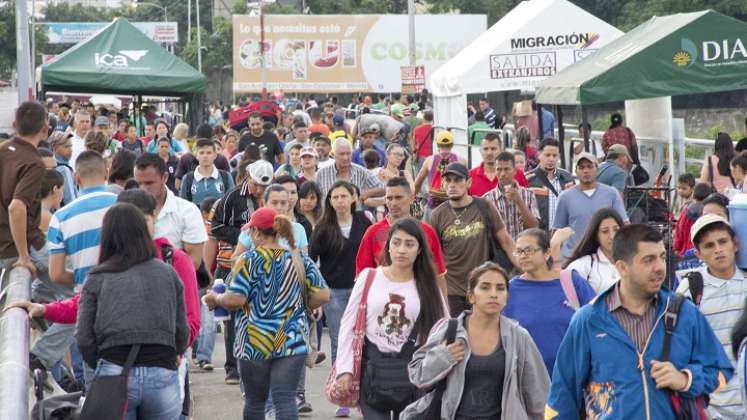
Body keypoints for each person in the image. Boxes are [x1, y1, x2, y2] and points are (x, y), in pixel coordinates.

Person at [546, 224, 734, 419]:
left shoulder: (684, 313)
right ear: (622, 267)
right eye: (648, 260)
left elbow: (721, 371)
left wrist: (686, 379)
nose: (660, 267)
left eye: (662, 257)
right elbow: (562, 396)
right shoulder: (589, 320)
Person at [205, 207, 330, 420]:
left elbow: (235, 299)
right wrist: (301, 305)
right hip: (290, 339)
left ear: (255, 232)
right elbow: (323, 295)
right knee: (285, 400)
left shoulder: (248, 260)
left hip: (254, 340)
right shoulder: (299, 259)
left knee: (255, 401)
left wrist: (215, 299)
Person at [76, 203, 189, 419]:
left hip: (115, 370)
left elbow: (83, 337)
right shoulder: (167, 273)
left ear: (107, 236)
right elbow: (181, 330)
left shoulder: (97, 278)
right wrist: (174, 352)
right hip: (161, 370)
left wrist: (102, 361)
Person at [403, 262, 550, 420]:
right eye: (485, 287)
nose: (493, 294)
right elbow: (416, 374)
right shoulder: (450, 330)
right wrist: (443, 357)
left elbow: (538, 394)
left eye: (500, 288)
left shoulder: (519, 337)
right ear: (471, 296)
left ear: (506, 297)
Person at [334, 218, 448, 419]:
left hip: (413, 375)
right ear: (388, 247)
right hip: (372, 371)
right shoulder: (369, 277)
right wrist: (345, 369)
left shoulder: (428, 285)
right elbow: (348, 325)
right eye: (396, 243)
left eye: (409, 244)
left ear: (420, 249)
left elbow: (444, 327)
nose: (402, 250)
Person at [309, 181, 372, 417]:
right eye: (335, 197)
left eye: (344, 196)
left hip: (361, 289)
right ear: (330, 201)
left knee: (365, 340)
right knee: (340, 340)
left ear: (353, 198)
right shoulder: (323, 227)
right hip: (333, 291)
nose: (339, 201)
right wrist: (317, 291)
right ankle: (342, 395)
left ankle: (364, 394)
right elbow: (311, 262)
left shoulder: (364, 221)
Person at [675, 215, 747, 419]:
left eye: (722, 241)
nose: (718, 249)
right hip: (712, 408)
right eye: (709, 245)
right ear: (698, 254)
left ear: (735, 244)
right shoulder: (690, 290)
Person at [210, 159, 274, 384]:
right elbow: (216, 227)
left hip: (264, 267)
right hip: (231, 264)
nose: (260, 190)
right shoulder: (231, 198)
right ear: (248, 176)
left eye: (264, 187)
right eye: (257, 185)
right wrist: (245, 237)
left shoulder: (272, 199)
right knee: (232, 315)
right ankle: (231, 367)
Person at [502, 228, 596, 374]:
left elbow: (597, 317)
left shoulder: (570, 281)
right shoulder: (509, 290)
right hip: (528, 379)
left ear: (547, 253)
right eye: (519, 251)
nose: (523, 256)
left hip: (574, 375)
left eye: (529, 250)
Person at [430, 162, 517, 316]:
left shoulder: (484, 206)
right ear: (443, 184)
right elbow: (433, 257)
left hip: (482, 286)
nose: (452, 185)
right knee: (457, 335)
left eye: (457, 180)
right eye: (448, 180)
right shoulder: (437, 215)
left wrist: (524, 270)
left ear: (469, 183)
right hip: (452, 290)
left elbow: (506, 241)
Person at [0, 101, 49, 277]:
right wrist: (23, 256)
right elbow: (16, 207)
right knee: (73, 286)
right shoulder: (34, 163)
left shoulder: (3, 149)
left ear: (15, 125)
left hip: (4, 246)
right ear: (45, 128)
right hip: (22, 247)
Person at [134, 153, 207, 269]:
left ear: (165, 178)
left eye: (149, 183)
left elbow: (194, 262)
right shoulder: (128, 211)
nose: (143, 189)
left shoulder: (188, 212)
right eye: (138, 184)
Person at [554, 153, 629, 261]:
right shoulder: (565, 197)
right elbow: (558, 232)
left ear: (597, 169)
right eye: (582, 167)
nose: (586, 171)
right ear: (576, 171)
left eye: (590, 166)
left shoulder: (611, 193)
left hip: (603, 258)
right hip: (572, 258)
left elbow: (624, 225)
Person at [564, 208, 625, 294]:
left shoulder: (632, 262)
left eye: (616, 230)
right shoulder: (584, 265)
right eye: (605, 231)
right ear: (596, 236)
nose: (612, 236)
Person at [482, 151, 540, 240]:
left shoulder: (528, 194)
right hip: (499, 251)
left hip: (524, 250)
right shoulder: (487, 199)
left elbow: (534, 227)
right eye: (499, 169)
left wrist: (519, 201)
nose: (502, 174)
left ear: (514, 171)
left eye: (506, 169)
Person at [526, 138, 575, 232]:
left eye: (554, 155)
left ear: (559, 156)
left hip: (561, 236)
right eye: (547, 155)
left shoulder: (567, 178)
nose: (551, 159)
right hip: (538, 235)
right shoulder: (528, 179)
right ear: (539, 155)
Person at [316, 138, 384, 204]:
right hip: (328, 214)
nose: (345, 158)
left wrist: (365, 194)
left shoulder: (361, 172)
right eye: (342, 154)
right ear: (333, 155)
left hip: (354, 214)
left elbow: (383, 189)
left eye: (348, 153)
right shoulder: (321, 174)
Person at [414, 131, 464, 216]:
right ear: (452, 145)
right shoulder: (461, 160)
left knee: (429, 229)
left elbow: (418, 182)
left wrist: (414, 197)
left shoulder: (429, 160)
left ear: (437, 145)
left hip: (434, 206)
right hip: (455, 206)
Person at [179, 138, 235, 206]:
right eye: (201, 153)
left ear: (215, 155)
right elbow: (183, 206)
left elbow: (232, 203)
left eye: (209, 153)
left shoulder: (226, 177)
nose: (205, 156)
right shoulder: (187, 179)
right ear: (196, 155)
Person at [673, 182, 713, 256]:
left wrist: (677, 249)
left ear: (694, 196)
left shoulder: (686, 212)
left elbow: (679, 235)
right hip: (705, 254)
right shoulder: (711, 213)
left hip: (686, 254)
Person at [48, 131, 77, 206]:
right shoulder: (64, 169)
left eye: (71, 146)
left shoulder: (49, 165)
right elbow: (71, 200)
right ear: (54, 147)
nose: (70, 149)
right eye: (66, 146)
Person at [412, 110, 434, 174]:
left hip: (421, 155)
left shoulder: (417, 129)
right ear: (433, 118)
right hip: (432, 155)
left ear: (423, 118)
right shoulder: (435, 129)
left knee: (420, 175)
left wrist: (414, 153)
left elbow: (414, 144)